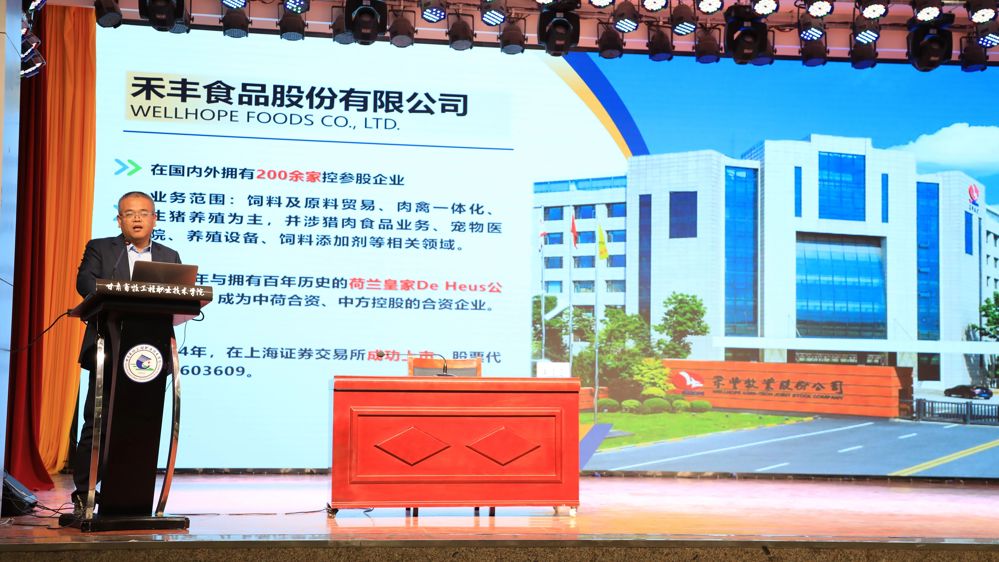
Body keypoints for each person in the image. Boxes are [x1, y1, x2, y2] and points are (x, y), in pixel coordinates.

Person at [70, 191, 181, 518]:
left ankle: (131, 494)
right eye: (129, 213)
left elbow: (179, 296)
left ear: (154, 219)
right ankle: (84, 494)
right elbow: (85, 282)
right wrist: (121, 294)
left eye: (143, 213)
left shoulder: (169, 256)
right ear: (119, 220)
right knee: (98, 423)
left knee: (141, 424)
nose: (136, 219)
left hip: (150, 355)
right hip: (108, 347)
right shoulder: (102, 249)